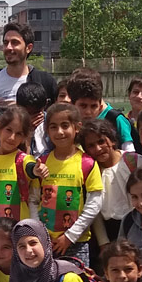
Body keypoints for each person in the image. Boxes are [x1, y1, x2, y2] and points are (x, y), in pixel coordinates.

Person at [36, 103, 103, 265]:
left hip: (76, 242)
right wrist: (40, 232)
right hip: (45, 242)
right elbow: (33, 199)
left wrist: (70, 236)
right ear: (47, 131)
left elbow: (94, 204)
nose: (59, 132)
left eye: (65, 126)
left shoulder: (87, 163)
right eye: (53, 127)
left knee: (75, 280)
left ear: (77, 127)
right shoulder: (41, 163)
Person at [81, 118, 141, 249]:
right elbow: (95, 210)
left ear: (112, 140)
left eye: (101, 141)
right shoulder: (91, 171)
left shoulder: (133, 161)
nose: (98, 148)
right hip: (110, 231)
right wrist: (103, 242)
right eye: (91, 146)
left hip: (138, 225)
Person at [0, 22, 57, 121]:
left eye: (14, 42)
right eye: (6, 43)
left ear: (28, 48)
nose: (9, 47)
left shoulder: (45, 82)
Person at [66, 68, 134, 151]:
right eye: (83, 106)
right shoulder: (68, 124)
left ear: (100, 106)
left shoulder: (115, 119)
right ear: (72, 105)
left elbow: (130, 152)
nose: (88, 112)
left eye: (93, 106)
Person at [16, 82, 50, 156]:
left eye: (36, 113)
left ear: (45, 105)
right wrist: (27, 131)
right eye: (28, 113)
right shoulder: (13, 126)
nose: (32, 117)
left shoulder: (51, 121)